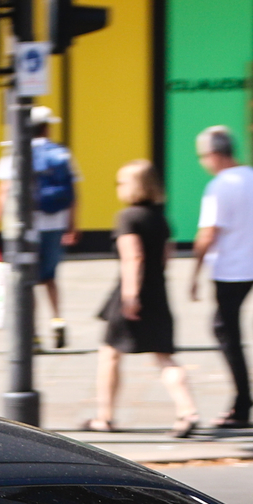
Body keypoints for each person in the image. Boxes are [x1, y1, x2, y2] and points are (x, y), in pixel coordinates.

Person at [87, 161, 198, 439]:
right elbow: (166, 255)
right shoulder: (159, 218)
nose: (118, 188)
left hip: (132, 292)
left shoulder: (128, 217)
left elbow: (132, 257)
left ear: (134, 186)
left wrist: (131, 296)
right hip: (157, 290)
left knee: (110, 354)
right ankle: (188, 411)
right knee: (165, 357)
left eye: (121, 182)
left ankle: (105, 416)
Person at [186, 125, 253, 430]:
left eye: (202, 156)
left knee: (226, 333)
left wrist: (194, 271)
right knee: (228, 332)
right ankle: (243, 402)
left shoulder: (220, 186)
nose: (203, 162)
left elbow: (208, 233)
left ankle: (243, 405)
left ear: (213, 154)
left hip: (229, 270)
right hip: (252, 268)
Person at [0, 105, 79, 350]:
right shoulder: (62, 154)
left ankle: (32, 333)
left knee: (28, 279)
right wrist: (72, 225)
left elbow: (3, 192)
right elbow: (74, 193)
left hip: (26, 226)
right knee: (50, 277)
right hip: (55, 223)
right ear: (47, 126)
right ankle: (57, 321)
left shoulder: (15, 154)